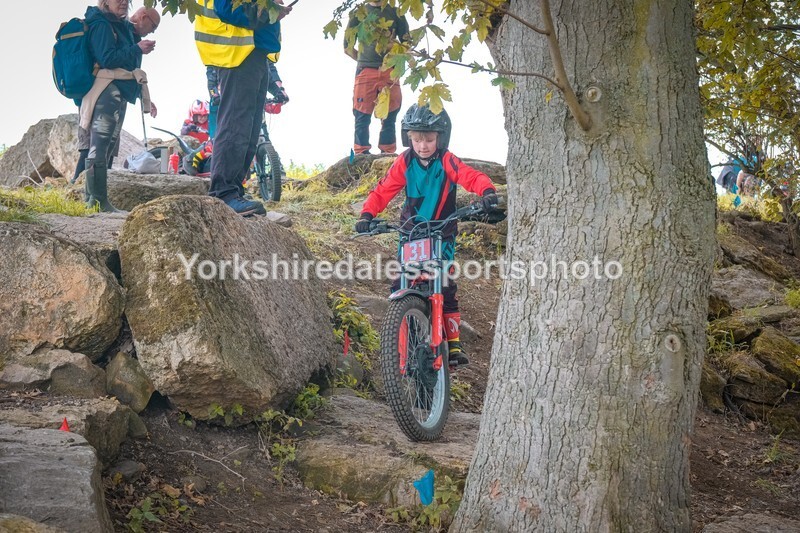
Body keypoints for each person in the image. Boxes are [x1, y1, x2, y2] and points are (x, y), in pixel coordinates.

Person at [354, 104, 498, 366]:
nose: (422, 145)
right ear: (408, 137)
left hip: (442, 232)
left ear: (440, 138)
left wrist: (486, 191)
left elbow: (470, 176)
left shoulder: (447, 160)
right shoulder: (404, 161)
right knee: (401, 284)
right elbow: (384, 190)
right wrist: (367, 215)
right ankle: (399, 344)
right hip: (411, 233)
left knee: (444, 283)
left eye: (429, 139)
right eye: (417, 139)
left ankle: (453, 343)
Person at [194, 0, 291, 217]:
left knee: (249, 130)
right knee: (235, 125)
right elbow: (229, 10)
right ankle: (223, 192)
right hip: (236, 56)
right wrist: (271, 12)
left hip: (252, 54)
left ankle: (234, 190)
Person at [71, 4, 159, 187]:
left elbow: (126, 71)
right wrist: (137, 49)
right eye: (154, 26)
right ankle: (80, 193)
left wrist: (144, 98)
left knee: (107, 148)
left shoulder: (122, 28)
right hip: (99, 94)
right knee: (93, 148)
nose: (124, 2)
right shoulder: (101, 24)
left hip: (114, 94)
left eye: (126, 0)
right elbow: (108, 59)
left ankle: (94, 194)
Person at [344, 1, 409, 155]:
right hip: (365, 70)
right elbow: (347, 47)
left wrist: (393, 55)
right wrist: (365, 61)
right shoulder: (358, 13)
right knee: (362, 114)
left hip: (390, 70)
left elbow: (407, 42)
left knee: (390, 113)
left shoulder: (395, 11)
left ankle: (387, 153)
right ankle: (361, 153)